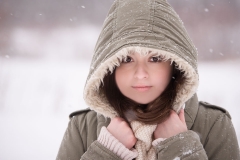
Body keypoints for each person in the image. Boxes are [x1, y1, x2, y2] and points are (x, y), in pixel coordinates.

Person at [56, 0, 240, 159]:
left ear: (175, 65)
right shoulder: (82, 128)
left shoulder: (213, 125)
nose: (141, 73)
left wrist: (180, 146)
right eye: (127, 59)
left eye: (155, 59)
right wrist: (107, 151)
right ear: (109, 69)